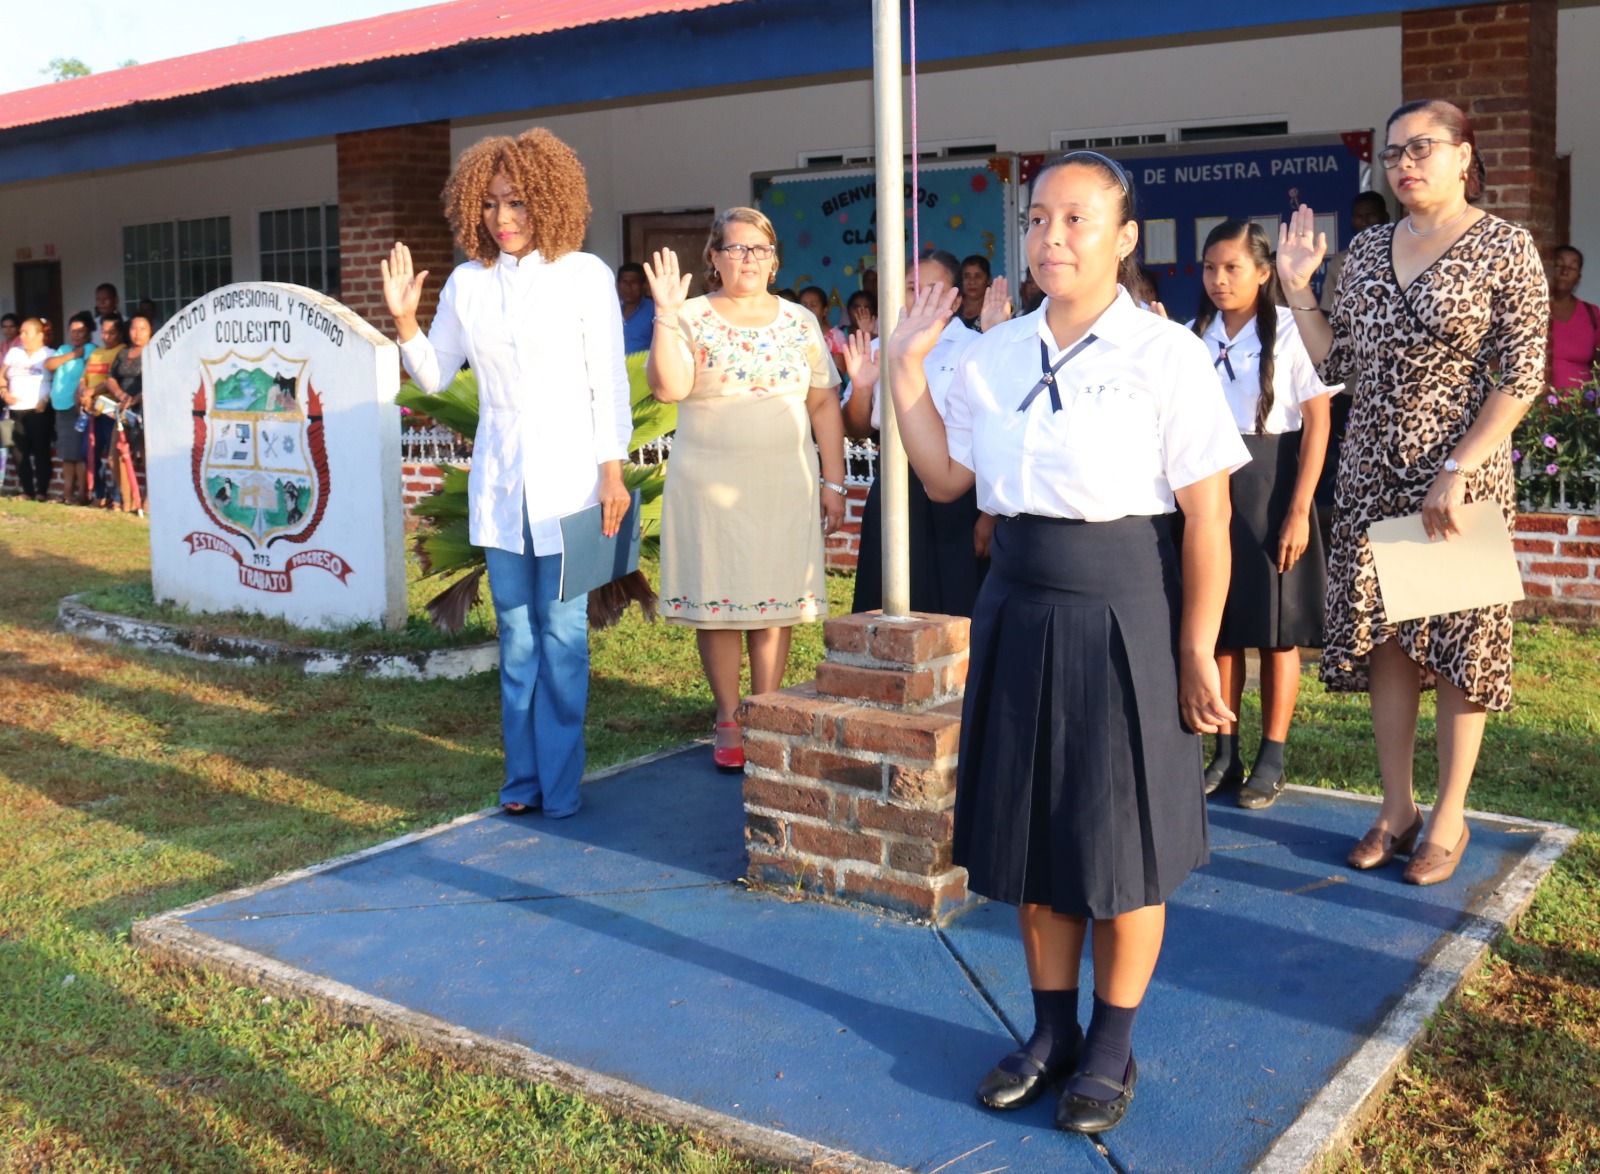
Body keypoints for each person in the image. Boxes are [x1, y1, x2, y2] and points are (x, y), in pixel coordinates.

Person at [885, 152, 1245, 1133]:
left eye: (1077, 220)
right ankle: (1051, 1033)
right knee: (1037, 839)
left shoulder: (1163, 353)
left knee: (1120, 846)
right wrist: (905, 371)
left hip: (1125, 604)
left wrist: (1192, 646)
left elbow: (1207, 518)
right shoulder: (993, 353)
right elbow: (945, 479)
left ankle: (1113, 1044)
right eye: (1038, 218)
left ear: (1124, 239)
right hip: (1016, 606)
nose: (1051, 237)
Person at [1277, 99, 1548, 886]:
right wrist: (1299, 291)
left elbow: (1523, 374)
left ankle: (1451, 817)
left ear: (1465, 156)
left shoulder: (1504, 246)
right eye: (1392, 151)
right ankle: (1396, 809)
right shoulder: (1363, 250)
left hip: (1455, 480)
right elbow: (1338, 366)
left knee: (1460, 647)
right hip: (1371, 472)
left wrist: (1460, 469)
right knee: (1390, 644)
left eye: (1422, 147)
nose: (1404, 162)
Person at [382, 127, 632, 819]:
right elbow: (435, 373)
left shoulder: (584, 276)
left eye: (517, 201)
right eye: (490, 205)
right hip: (501, 488)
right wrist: (405, 323)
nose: (504, 218)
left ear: (547, 199)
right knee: (517, 638)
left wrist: (612, 474)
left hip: (574, 484)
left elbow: (608, 383)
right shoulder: (468, 284)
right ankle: (522, 782)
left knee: (565, 635)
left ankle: (561, 785)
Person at [644, 207, 846, 773]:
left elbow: (824, 401)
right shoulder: (688, 315)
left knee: (773, 601)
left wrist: (835, 481)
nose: (747, 259)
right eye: (734, 249)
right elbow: (669, 388)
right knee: (720, 603)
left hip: (783, 481)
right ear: (714, 257)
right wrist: (663, 315)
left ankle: (767, 707)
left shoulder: (799, 321)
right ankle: (729, 716)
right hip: (707, 485)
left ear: (775, 259)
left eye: (758, 249)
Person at [1189, 221, 1333, 810]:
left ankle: (1272, 755)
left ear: (1264, 272)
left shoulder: (1292, 335)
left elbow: (1319, 422)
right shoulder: (1193, 332)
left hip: (1271, 482)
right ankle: (1225, 750)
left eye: (1232, 268)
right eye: (1209, 268)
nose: (1219, 280)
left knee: (1277, 633)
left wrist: (1299, 510)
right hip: (1211, 489)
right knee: (1220, 626)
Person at [841, 247, 1005, 617]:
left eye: (935, 288)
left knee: (958, 606)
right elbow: (856, 428)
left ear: (956, 297)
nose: (923, 297)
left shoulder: (977, 348)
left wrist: (989, 516)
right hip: (895, 486)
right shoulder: (881, 349)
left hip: (961, 492)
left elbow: (994, 436)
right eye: (913, 287)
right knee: (886, 601)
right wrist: (863, 387)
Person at [3, 318, 57, 502]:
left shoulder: (49, 354)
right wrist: (3, 392)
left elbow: (59, 383)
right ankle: (27, 491)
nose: (22, 336)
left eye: (27, 332)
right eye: (21, 332)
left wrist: (46, 399)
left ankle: (41, 491)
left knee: (41, 450)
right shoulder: (13, 353)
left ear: (40, 335)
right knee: (19, 451)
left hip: (38, 410)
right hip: (16, 408)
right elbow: (1, 376)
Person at [44, 311, 95, 504]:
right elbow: (49, 364)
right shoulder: (65, 349)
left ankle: (81, 495)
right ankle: (67, 494)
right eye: (72, 331)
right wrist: (73, 354)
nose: (75, 335)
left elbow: (90, 371)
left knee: (78, 454)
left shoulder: (90, 348)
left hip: (77, 408)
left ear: (88, 332)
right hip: (60, 407)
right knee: (66, 453)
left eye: (80, 331)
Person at [103, 313, 150, 513]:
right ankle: (127, 500)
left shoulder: (154, 352)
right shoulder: (123, 353)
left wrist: (137, 398)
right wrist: (120, 394)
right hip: (123, 411)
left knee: (147, 457)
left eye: (142, 329)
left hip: (146, 411)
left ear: (151, 331)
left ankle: (148, 501)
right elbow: (111, 378)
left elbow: (158, 379)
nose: (137, 333)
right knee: (116, 456)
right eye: (133, 328)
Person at [1319, 191, 1391, 313]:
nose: (1365, 222)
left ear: (1385, 217)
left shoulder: (1400, 253)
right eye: (1359, 217)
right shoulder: (1341, 261)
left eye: (1371, 215)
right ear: (1352, 220)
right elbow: (1328, 310)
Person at [82, 315, 125, 509]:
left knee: (113, 456)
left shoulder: (121, 351)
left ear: (119, 333)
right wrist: (83, 393)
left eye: (111, 332)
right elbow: (85, 377)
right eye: (103, 331)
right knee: (88, 453)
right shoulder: (96, 352)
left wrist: (92, 392)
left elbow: (110, 379)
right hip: (92, 411)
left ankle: (118, 497)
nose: (106, 336)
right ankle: (100, 493)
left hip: (110, 410)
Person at [1547, 245, 1599, 392]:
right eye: (1559, 265)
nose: (1565, 271)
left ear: (1578, 277)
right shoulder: (1534, 309)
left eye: (1573, 267)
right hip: (1538, 409)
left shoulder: (1591, 313)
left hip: (1580, 409)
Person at [616, 261, 655, 354]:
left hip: (644, 367)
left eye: (634, 282)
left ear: (644, 286)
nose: (628, 287)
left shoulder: (655, 310)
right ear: (618, 285)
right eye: (624, 282)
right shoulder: (612, 311)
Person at [957, 254, 992, 330]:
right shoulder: (953, 307)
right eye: (966, 276)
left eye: (978, 276)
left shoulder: (996, 309)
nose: (972, 282)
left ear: (988, 279)